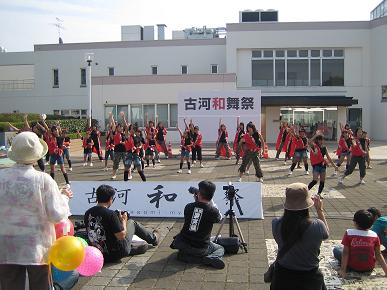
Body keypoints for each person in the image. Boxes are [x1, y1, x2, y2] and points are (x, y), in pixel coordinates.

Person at [0, 132, 73, 290]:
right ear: (36, 156)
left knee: (9, 284)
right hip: (36, 246)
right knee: (41, 284)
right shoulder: (43, 179)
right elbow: (56, 214)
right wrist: (64, 197)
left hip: (6, 243)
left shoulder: (1, 177)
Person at [270, 183, 329, 290]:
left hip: (283, 275)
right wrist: (319, 210)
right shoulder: (318, 225)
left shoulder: (276, 224)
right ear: (307, 204)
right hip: (310, 276)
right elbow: (326, 235)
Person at [84, 185, 160, 263]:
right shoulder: (110, 214)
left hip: (98, 254)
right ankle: (153, 238)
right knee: (132, 223)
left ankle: (138, 245)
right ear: (110, 199)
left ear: (97, 198)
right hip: (115, 253)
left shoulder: (88, 213)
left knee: (142, 246)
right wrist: (123, 221)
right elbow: (121, 236)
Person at [170, 180, 225, 269]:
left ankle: (187, 256)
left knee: (188, 249)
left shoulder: (188, 207)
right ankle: (210, 258)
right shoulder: (212, 211)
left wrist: (197, 201)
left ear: (198, 194)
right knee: (220, 248)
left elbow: (197, 211)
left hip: (183, 243)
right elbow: (219, 217)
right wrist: (210, 202)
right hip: (200, 247)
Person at [333, 210, 387, 278]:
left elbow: (345, 252)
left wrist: (343, 270)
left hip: (352, 266)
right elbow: (378, 254)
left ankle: (346, 267)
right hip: (369, 267)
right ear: (371, 224)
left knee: (336, 249)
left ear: (355, 222)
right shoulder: (374, 235)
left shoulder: (349, 232)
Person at [308, 133, 338, 198]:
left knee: (322, 181)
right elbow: (309, 141)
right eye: (319, 140)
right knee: (315, 180)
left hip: (323, 166)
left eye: (322, 140)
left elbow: (328, 157)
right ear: (317, 140)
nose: (321, 141)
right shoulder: (314, 146)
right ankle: (306, 191)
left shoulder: (324, 147)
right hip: (316, 166)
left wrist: (334, 166)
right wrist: (316, 135)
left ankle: (319, 194)